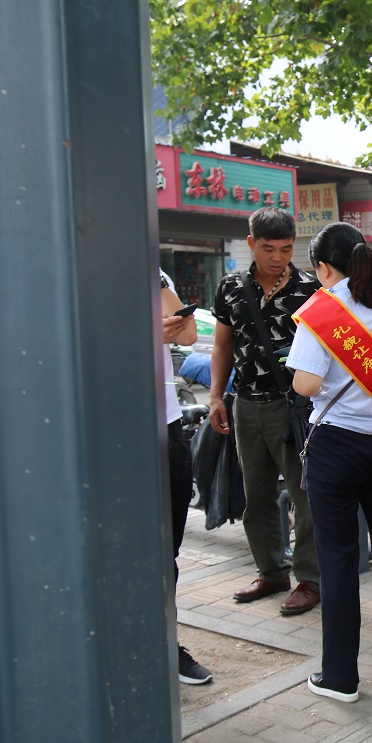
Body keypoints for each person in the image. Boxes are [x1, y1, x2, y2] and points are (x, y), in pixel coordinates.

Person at [287, 222, 372, 703]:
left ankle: (341, 677)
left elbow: (306, 384)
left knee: (339, 560)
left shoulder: (323, 309)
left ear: (325, 268)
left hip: (337, 449)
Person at [210, 207, 322, 615]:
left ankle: (310, 579)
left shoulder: (310, 289)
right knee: (256, 496)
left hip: (293, 407)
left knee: (303, 496)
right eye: (268, 248)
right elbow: (222, 344)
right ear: (251, 243)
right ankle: (271, 571)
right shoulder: (230, 287)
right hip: (246, 406)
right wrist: (215, 396)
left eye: (286, 249)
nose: (277, 257)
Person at [160, 270, 212, 685]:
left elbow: (189, 333)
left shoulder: (156, 275)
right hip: (110, 431)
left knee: (167, 551)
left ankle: (165, 641)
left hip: (166, 427)